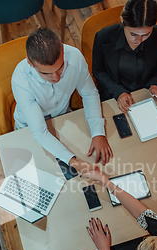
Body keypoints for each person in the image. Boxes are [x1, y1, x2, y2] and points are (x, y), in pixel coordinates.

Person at [12, 28, 113, 173]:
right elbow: (40, 132)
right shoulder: (20, 80)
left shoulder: (75, 57)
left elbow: (89, 93)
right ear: (30, 62)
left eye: (60, 68)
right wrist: (75, 162)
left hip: (62, 116)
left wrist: (98, 132)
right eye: (46, 73)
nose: (56, 78)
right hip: (30, 128)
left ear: (63, 51)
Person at [92, 0, 157, 113]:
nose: (139, 41)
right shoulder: (103, 37)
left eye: (146, 34)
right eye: (133, 34)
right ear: (122, 20)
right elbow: (98, 71)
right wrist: (118, 92)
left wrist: (155, 83)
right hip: (113, 95)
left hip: (145, 93)